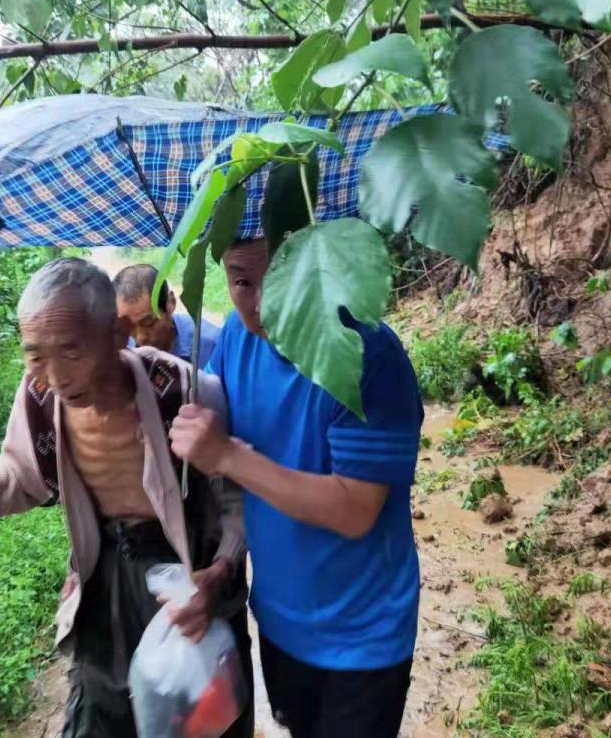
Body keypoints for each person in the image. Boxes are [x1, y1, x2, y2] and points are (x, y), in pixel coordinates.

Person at [0, 258, 253, 738]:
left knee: (199, 716)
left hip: (187, 579)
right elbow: (17, 478)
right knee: (101, 713)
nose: (54, 375)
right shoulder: (38, 398)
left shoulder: (183, 391)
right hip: (104, 578)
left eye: (71, 351)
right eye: (34, 354)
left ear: (116, 335)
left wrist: (219, 574)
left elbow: (237, 504)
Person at [168, 238, 423, 738]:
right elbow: (230, 463)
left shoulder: (368, 354)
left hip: (363, 635)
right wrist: (219, 569)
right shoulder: (239, 341)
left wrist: (226, 455)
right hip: (281, 621)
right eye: (242, 280)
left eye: (283, 276)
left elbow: (355, 510)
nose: (262, 303)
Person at [114, 263, 221, 369]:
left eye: (148, 322)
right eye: (129, 327)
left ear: (171, 302)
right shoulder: (119, 347)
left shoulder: (213, 345)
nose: (141, 338)